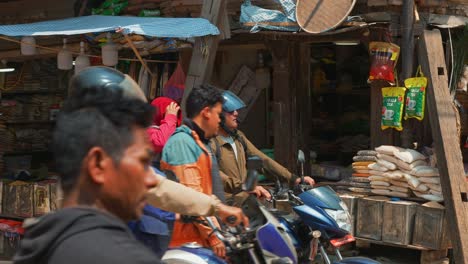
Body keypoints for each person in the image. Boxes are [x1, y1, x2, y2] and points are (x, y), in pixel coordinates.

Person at [13, 67, 247, 264]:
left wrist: (215, 207)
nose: (149, 179)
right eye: (142, 162)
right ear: (97, 164)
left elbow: (161, 188)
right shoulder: (119, 257)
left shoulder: (41, 242)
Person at [211, 90, 315, 206]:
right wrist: (245, 186)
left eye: (236, 110)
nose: (236, 113)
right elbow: (215, 174)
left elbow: (262, 160)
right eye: (230, 111)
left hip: (246, 202)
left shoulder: (238, 137)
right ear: (218, 115)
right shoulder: (211, 142)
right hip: (223, 206)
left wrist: (293, 179)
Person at [161, 85, 227, 258]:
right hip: (187, 244)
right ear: (206, 112)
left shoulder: (197, 142)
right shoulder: (182, 143)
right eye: (218, 114)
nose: (220, 120)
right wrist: (214, 236)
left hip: (198, 241)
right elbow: (192, 196)